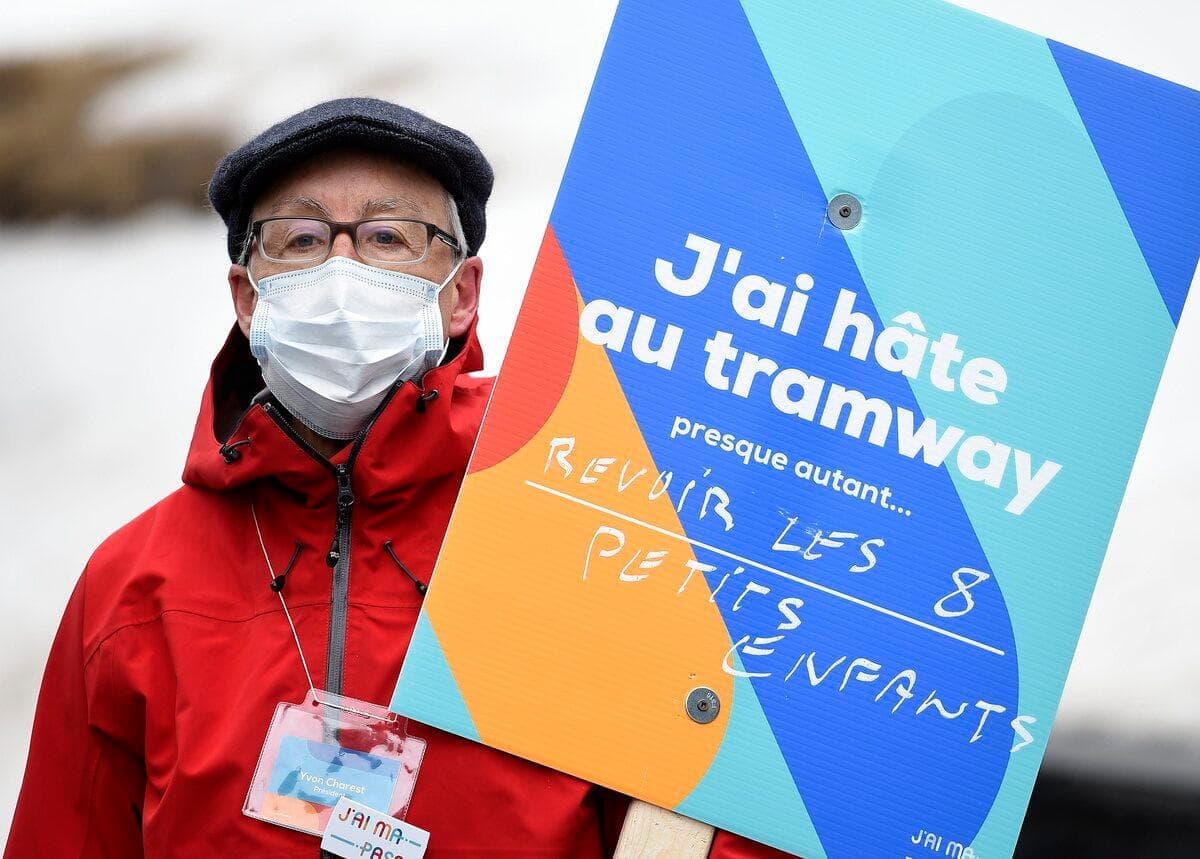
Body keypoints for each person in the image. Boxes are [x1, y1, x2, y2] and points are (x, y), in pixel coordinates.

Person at [6, 98, 790, 858]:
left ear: (462, 296)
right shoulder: (135, 585)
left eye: (387, 236)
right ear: (248, 300)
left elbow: (716, 823)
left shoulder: (587, 539)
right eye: (302, 238)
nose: (342, 267)